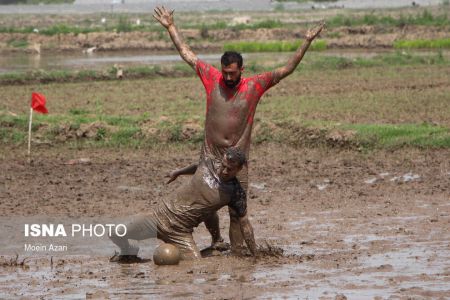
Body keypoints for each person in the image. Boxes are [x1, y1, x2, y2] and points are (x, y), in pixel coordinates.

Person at [153, 6, 324, 254]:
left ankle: (236, 251)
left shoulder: (255, 85)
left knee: (237, 212)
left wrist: (306, 41)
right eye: (225, 73)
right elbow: (187, 54)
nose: (228, 78)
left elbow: (287, 69)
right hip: (210, 155)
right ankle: (215, 240)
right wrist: (170, 27)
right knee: (205, 203)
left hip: (237, 160)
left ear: (242, 70)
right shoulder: (211, 78)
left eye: (232, 73)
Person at [110, 148, 257, 262]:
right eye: (223, 166)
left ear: (239, 169)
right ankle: (128, 252)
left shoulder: (236, 193)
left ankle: (215, 250)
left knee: (194, 264)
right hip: (157, 217)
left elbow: (244, 224)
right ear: (222, 159)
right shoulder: (209, 163)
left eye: (230, 169)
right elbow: (196, 166)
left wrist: (256, 254)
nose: (224, 171)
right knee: (115, 233)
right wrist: (178, 172)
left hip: (180, 233)